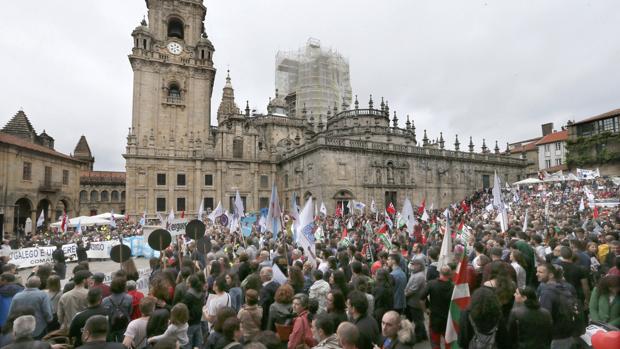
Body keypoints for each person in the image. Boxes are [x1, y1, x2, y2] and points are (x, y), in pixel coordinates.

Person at [536, 263, 583, 348]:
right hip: (568, 332)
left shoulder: (546, 293)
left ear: (550, 275)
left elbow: (544, 318)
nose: (537, 274)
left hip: (555, 336)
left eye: (540, 272)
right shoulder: (565, 287)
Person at [420, 265, 453, 349]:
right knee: (449, 340)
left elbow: (421, 299)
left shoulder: (431, 284)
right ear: (450, 274)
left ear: (439, 273)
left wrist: (425, 310)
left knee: (435, 342)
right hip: (448, 319)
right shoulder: (454, 287)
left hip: (435, 318)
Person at [102, 276, 133, 341]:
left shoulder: (105, 300)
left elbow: (105, 314)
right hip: (125, 324)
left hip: (111, 325)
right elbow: (130, 312)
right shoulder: (129, 298)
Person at [404, 259, 427, 342]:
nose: (412, 266)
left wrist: (404, 294)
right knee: (419, 319)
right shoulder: (415, 273)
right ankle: (424, 335)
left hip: (415, 302)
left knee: (418, 321)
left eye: (414, 264)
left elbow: (412, 290)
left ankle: (419, 337)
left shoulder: (419, 276)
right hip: (413, 301)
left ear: (419, 266)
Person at [181, 274, 204, 349]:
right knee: (198, 343)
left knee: (188, 344)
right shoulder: (201, 293)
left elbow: (182, 308)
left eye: (187, 282)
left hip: (190, 323)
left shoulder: (188, 295)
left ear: (190, 284)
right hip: (198, 321)